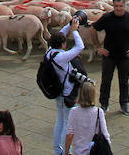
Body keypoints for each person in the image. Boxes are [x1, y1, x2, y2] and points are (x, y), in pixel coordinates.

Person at [92, 0, 129, 114]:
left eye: (120, 6)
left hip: (125, 56)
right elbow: (93, 29)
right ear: (113, 6)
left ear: (124, 6)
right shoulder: (107, 17)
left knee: (124, 81)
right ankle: (104, 104)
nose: (118, 8)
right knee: (106, 80)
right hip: (109, 55)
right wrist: (98, 47)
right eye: (116, 6)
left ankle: (124, 104)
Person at [46, 17, 87, 155]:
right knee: (67, 124)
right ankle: (65, 151)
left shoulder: (49, 52)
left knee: (60, 121)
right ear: (63, 45)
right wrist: (74, 31)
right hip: (67, 93)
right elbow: (80, 47)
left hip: (57, 92)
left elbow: (58, 36)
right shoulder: (62, 57)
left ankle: (58, 150)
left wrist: (69, 26)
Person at [62, 80, 109, 155]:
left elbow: (69, 135)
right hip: (95, 151)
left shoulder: (74, 111)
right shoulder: (99, 112)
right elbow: (105, 134)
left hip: (79, 152)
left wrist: (66, 152)